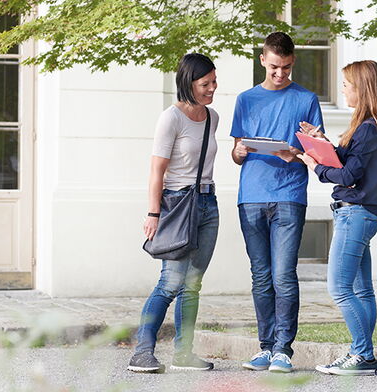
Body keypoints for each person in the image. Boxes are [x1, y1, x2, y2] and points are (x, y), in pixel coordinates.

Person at [230, 32, 324, 373]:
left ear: (293, 62)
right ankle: (265, 347)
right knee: (260, 276)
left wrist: (297, 153)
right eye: (273, 67)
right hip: (251, 197)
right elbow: (237, 151)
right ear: (262, 60)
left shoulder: (306, 99)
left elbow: (318, 154)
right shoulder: (245, 100)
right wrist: (238, 151)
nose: (280, 74)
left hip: (289, 197)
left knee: (284, 274)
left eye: (285, 67)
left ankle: (284, 349)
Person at [298, 60, 377, 376]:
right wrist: (323, 142)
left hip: (354, 214)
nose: (342, 89)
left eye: (346, 84)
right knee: (362, 290)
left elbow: (348, 175)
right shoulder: (368, 127)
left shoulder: (367, 129)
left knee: (339, 288)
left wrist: (317, 168)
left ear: (362, 89)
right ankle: (361, 355)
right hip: (360, 214)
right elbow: (349, 163)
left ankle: (362, 354)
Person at [128, 53, 220, 373]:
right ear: (188, 83)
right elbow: (157, 171)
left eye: (214, 81)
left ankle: (184, 353)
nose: (212, 88)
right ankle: (142, 352)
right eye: (205, 83)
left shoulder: (212, 117)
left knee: (192, 285)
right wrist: (153, 213)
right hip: (178, 204)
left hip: (208, 205)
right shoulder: (171, 118)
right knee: (170, 282)